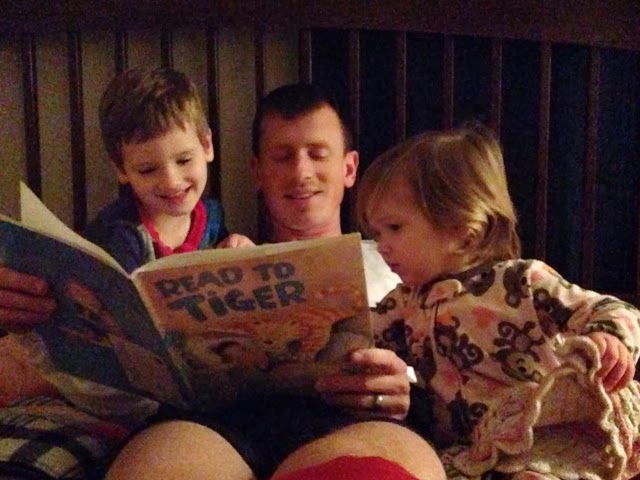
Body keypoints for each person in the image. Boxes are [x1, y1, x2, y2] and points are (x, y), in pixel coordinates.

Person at [103, 84, 445, 480]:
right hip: (217, 426)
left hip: (357, 421)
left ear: (349, 168)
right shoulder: (209, 261)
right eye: (283, 157)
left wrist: (399, 390)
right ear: (257, 172)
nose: (301, 173)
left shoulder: (407, 261)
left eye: (317, 154)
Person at [0, 66, 251, 479]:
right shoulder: (119, 235)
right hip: (105, 392)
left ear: (207, 146)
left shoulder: (212, 218)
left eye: (184, 160)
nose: (172, 181)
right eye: (148, 170)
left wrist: (237, 257)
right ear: (122, 169)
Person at [356, 122, 640, 479]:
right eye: (376, 233)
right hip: (469, 452)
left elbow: (611, 309)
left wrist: (610, 337)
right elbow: (357, 333)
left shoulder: (520, 282)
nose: (381, 246)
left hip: (541, 434)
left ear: (463, 229)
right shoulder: (404, 304)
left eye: (394, 228)